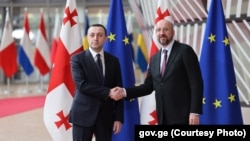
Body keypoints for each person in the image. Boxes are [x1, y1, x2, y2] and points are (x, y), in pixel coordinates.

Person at [110, 19, 203, 125]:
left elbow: (196, 83)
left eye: (165, 29)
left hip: (184, 116)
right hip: (163, 116)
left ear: (173, 32)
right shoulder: (154, 59)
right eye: (158, 30)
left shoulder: (185, 51)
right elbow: (148, 86)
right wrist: (124, 92)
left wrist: (194, 112)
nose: (162, 33)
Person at [69, 23, 124, 141]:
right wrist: (108, 92)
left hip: (106, 115)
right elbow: (82, 85)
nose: (95, 38)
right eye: (92, 35)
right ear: (87, 37)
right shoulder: (77, 59)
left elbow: (118, 89)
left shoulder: (113, 61)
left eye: (99, 35)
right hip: (83, 114)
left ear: (105, 38)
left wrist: (118, 118)